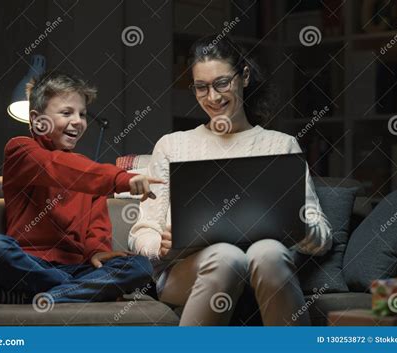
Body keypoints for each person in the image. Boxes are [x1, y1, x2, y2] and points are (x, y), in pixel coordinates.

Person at [129, 35, 332, 326]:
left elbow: (322, 235)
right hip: (190, 273)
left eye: (222, 83)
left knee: (269, 251)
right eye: (201, 87)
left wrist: (296, 224)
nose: (212, 97)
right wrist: (160, 245)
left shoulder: (281, 145)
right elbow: (142, 230)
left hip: (266, 269)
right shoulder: (172, 146)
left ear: (244, 77)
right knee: (226, 257)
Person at [0, 71, 162, 305]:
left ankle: (33, 295)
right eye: (66, 112)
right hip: (30, 264)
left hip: (79, 269)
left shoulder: (87, 171)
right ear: (37, 119)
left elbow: (97, 227)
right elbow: (58, 167)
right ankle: (83, 292)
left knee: (140, 267)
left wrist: (96, 251)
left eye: (82, 114)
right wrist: (121, 178)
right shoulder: (20, 150)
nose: (78, 121)